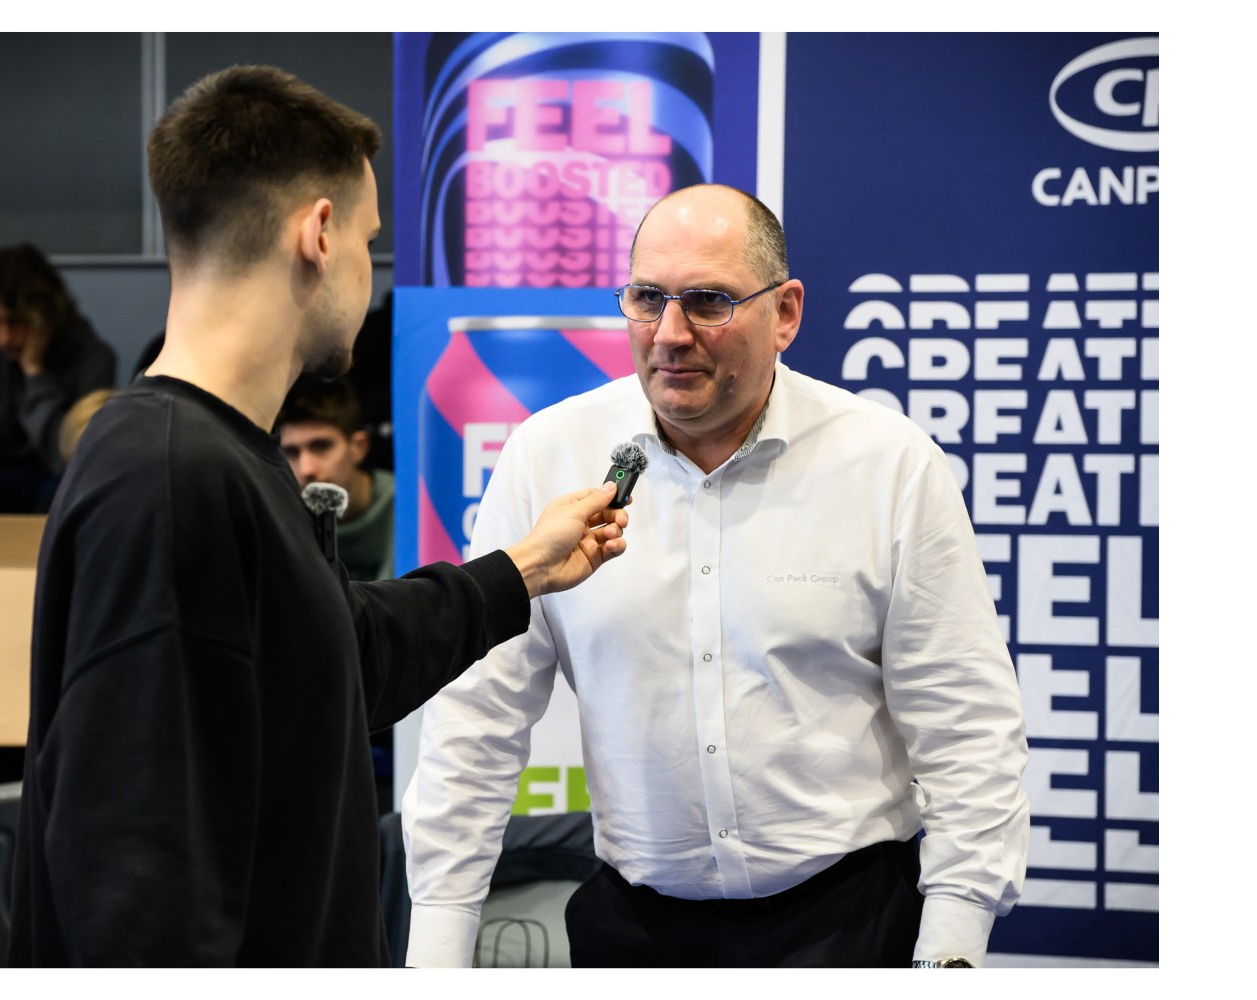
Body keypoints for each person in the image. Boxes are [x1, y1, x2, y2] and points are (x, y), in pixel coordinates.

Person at [7, 64, 630, 968]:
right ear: (320, 232)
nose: (368, 274)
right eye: (370, 242)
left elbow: (333, 660)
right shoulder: (170, 481)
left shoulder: (219, 458)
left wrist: (524, 570)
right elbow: (136, 880)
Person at [402, 184, 1030, 969]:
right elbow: (476, 722)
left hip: (851, 925)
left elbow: (967, 726)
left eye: (708, 302)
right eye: (647, 299)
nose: (670, 334)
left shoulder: (887, 464)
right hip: (633, 931)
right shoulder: (547, 458)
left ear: (785, 313)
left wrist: (951, 952)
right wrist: (436, 950)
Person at [0, 243, 117, 513]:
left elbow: (74, 459)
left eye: (15, 322)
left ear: (45, 318)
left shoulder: (91, 357)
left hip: (58, 487)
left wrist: (34, 371)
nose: (3, 338)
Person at [275, 376, 394, 582]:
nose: (307, 469)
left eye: (321, 446)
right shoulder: (278, 516)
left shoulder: (407, 506)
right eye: (292, 452)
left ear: (359, 447)